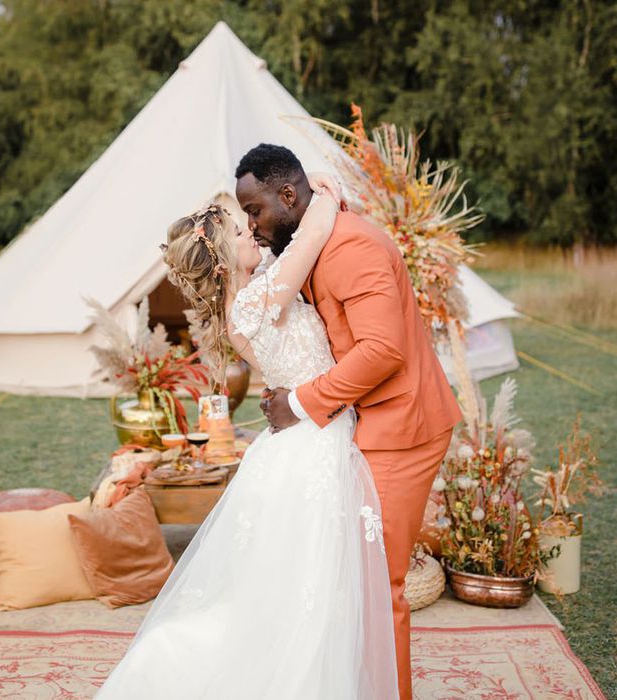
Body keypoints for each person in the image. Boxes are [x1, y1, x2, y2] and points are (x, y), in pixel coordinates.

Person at [96, 172, 399, 699]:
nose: (253, 234)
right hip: (313, 446)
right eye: (241, 233)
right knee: (316, 584)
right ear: (224, 259)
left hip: (303, 439)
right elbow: (311, 234)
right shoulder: (260, 299)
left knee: (299, 586)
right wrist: (323, 193)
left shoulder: (243, 311)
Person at [239, 144, 462, 700]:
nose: (252, 225)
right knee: (345, 583)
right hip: (359, 425)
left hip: (401, 430)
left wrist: (298, 404)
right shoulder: (313, 235)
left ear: (288, 196)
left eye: (256, 211)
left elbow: (383, 351)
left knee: (376, 588)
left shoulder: (352, 247)